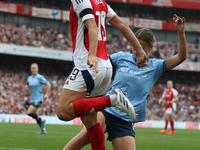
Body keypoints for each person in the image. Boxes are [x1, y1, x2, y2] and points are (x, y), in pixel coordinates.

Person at [62, 14, 187, 150]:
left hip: (125, 120)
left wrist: (181, 33)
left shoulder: (156, 66)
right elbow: (101, 65)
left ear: (151, 47)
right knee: (84, 136)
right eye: (134, 45)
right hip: (106, 111)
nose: (136, 50)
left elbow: (181, 57)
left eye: (142, 47)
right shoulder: (121, 57)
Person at [56, 0, 147, 149]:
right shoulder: (102, 3)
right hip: (105, 67)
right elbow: (123, 25)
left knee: (63, 112)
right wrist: (140, 50)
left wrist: (91, 55)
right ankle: (111, 100)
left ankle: (112, 100)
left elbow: (92, 26)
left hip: (89, 65)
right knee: (91, 122)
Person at [25, 63, 51, 134]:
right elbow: (27, 84)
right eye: (32, 68)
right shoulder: (29, 78)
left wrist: (46, 94)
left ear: (37, 69)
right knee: (36, 116)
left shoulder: (40, 77)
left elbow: (48, 84)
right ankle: (43, 130)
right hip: (32, 99)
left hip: (38, 98)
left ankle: (42, 120)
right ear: (30, 69)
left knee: (29, 112)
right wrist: (26, 87)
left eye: (35, 68)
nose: (33, 69)